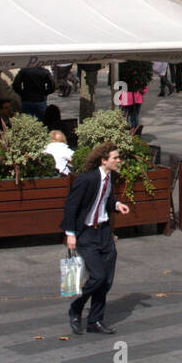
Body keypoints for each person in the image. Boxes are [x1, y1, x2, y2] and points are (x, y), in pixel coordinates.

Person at [62, 142, 131, 335]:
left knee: (106, 280)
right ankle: (76, 307)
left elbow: (106, 200)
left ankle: (95, 321)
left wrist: (117, 205)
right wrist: (70, 233)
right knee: (97, 276)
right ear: (104, 160)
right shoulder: (87, 179)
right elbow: (71, 206)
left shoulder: (110, 178)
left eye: (119, 157)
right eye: (115, 158)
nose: (119, 161)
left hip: (104, 232)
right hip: (87, 233)